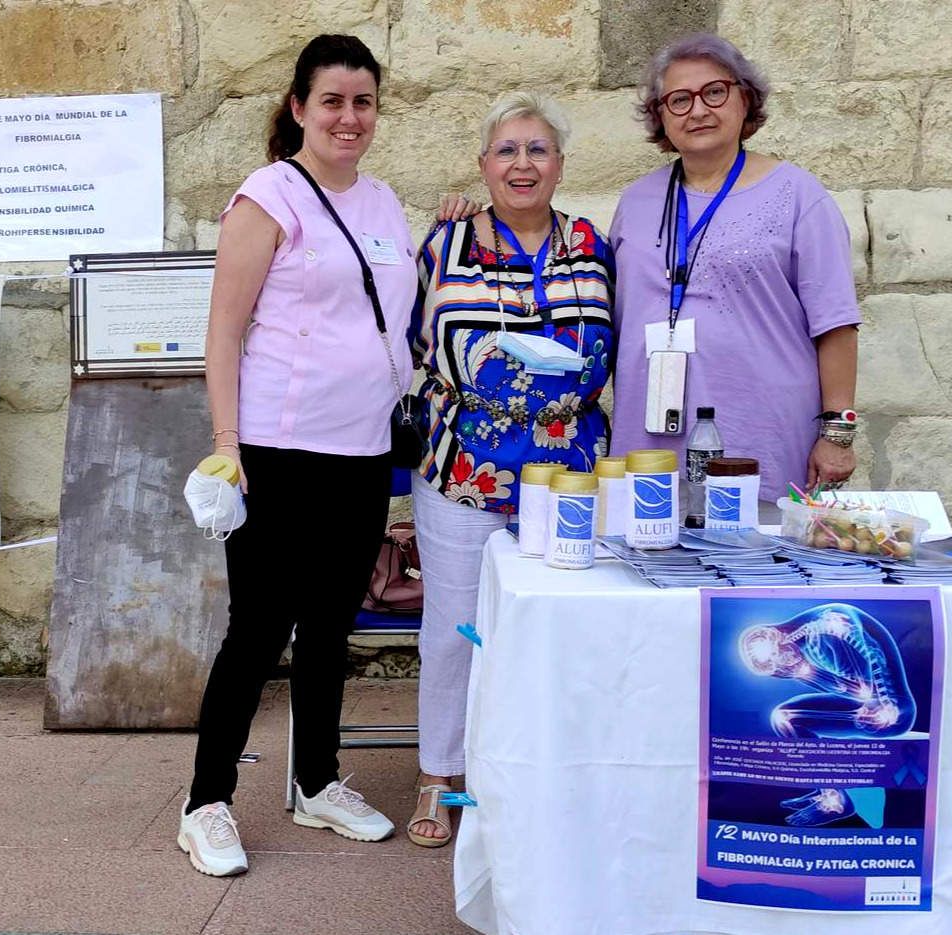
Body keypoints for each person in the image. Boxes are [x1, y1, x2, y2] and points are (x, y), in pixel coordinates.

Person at [179, 34, 413, 877]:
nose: (349, 118)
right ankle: (205, 800)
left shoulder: (385, 203)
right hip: (276, 450)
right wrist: (225, 444)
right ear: (299, 108)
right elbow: (224, 328)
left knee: (329, 627)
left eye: (363, 102)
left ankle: (315, 780)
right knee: (257, 629)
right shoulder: (268, 197)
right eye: (333, 102)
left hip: (362, 450)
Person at [406, 92, 615, 847]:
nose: (522, 163)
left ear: (559, 164)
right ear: (482, 164)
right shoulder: (444, 242)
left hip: (568, 469)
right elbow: (409, 338)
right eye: (506, 150)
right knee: (455, 630)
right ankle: (440, 775)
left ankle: (547, 775)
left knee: (559, 626)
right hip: (464, 466)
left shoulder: (594, 245)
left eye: (537, 149)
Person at [611, 33, 860, 508]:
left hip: (760, 428)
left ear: (745, 99)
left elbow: (837, 323)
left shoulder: (798, 196)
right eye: (679, 100)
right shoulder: (636, 202)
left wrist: (838, 433)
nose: (697, 110)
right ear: (660, 116)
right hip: (650, 433)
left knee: (753, 567)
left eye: (715, 92)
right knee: (648, 561)